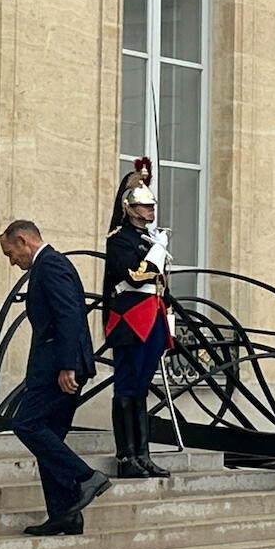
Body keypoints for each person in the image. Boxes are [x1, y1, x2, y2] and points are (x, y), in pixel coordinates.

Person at [0, 220, 109, 536]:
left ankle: (86, 477)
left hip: (57, 368)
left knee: (26, 424)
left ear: (22, 241)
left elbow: (69, 316)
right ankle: (66, 514)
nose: (12, 261)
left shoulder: (50, 266)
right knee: (50, 438)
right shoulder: (50, 265)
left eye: (10, 253)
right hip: (59, 365)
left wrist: (66, 366)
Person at [100, 158, 172, 480]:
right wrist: (157, 253)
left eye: (151, 205)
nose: (149, 210)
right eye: (143, 206)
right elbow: (135, 275)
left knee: (141, 388)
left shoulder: (149, 238)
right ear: (129, 208)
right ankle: (126, 456)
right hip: (130, 320)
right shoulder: (120, 239)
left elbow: (160, 286)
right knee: (127, 387)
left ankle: (143, 454)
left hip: (151, 317)